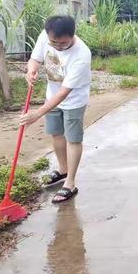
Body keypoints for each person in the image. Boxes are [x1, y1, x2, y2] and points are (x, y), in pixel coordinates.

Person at [21, 15, 91, 203]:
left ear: (72, 35)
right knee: (56, 134)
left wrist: (36, 113)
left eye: (63, 43)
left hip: (73, 100)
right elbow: (34, 59)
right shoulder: (46, 37)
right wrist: (31, 70)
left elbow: (63, 93)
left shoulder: (82, 55)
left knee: (73, 139)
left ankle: (70, 183)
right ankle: (63, 169)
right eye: (54, 42)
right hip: (51, 96)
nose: (57, 46)